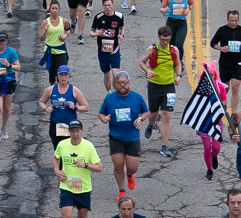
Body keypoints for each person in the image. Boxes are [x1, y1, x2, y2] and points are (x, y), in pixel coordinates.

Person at [53, 120, 103, 218]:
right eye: (72, 131)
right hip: (67, 186)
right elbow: (55, 158)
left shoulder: (88, 146)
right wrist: (57, 171)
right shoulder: (63, 145)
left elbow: (99, 168)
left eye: (77, 130)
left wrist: (85, 165)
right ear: (69, 132)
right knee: (66, 216)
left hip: (83, 188)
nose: (75, 134)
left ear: (82, 131)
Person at [97, 70, 149, 199]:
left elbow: (146, 112)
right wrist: (103, 119)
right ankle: (121, 190)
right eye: (119, 83)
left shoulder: (137, 97)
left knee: (133, 167)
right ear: (115, 84)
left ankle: (130, 175)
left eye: (124, 82)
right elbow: (101, 113)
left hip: (132, 138)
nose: (122, 85)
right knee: (118, 165)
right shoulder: (110, 98)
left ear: (129, 82)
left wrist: (140, 119)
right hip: (116, 137)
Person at [139, 26, 182, 159]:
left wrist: (179, 76)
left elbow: (178, 64)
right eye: (163, 40)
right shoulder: (152, 49)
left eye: (167, 40)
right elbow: (141, 62)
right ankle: (151, 125)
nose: (165, 43)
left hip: (169, 87)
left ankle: (164, 146)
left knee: (166, 115)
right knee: (153, 114)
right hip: (154, 86)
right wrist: (148, 71)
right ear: (158, 37)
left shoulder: (174, 50)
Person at [210, 9, 241, 115]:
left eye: (236, 21)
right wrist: (221, 48)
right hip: (225, 63)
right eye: (231, 20)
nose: (234, 23)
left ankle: (233, 113)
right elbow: (212, 43)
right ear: (228, 20)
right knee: (225, 88)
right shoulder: (222, 30)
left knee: (235, 88)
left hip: (237, 63)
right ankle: (220, 106)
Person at [38, 65, 88, 149]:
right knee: (58, 150)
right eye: (61, 75)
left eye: (65, 75)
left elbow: (85, 107)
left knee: (70, 150)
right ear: (57, 75)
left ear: (69, 76)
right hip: (55, 124)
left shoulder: (74, 90)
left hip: (70, 125)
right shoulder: (50, 90)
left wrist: (75, 108)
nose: (63, 77)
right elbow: (41, 102)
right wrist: (46, 108)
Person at [89, 0, 125, 92]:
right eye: (105, 6)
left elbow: (122, 27)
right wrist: (95, 34)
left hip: (114, 50)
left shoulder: (119, 16)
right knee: (107, 73)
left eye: (109, 5)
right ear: (102, 6)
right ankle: (109, 93)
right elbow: (91, 32)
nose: (107, 8)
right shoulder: (98, 17)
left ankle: (115, 92)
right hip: (102, 51)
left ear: (113, 5)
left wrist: (122, 35)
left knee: (115, 73)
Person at [38, 2, 73, 85]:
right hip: (50, 51)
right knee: (51, 74)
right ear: (50, 9)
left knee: (60, 72)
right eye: (53, 8)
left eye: (56, 8)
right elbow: (41, 39)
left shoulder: (64, 21)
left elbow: (68, 29)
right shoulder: (45, 22)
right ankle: (53, 90)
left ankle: (59, 92)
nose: (54, 10)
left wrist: (65, 35)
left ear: (59, 9)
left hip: (61, 50)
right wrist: (45, 31)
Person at [159, 0, 192, 66]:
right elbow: (161, 8)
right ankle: (172, 60)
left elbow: (191, 4)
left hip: (181, 23)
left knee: (179, 44)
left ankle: (180, 62)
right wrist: (164, 10)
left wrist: (188, 9)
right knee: (171, 44)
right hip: (171, 23)